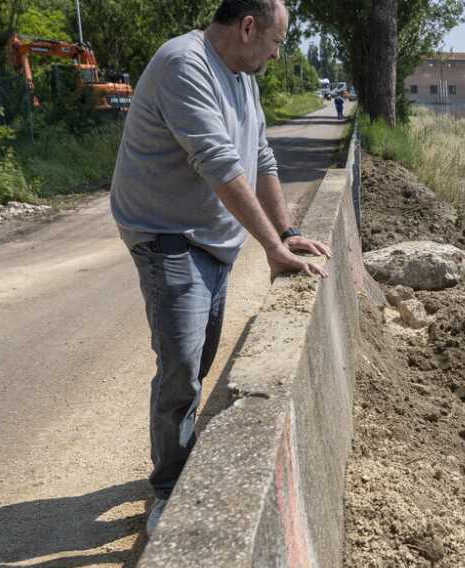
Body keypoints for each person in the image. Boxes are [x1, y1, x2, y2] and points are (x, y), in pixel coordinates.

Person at [111, 0, 331, 535]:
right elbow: (219, 164)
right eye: (277, 44)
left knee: (201, 355)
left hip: (212, 239)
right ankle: (167, 489)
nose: (277, 56)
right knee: (182, 364)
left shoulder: (242, 77)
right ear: (248, 26)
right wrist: (270, 249)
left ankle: (177, 450)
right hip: (166, 232)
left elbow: (261, 161)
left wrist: (288, 234)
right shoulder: (183, 65)